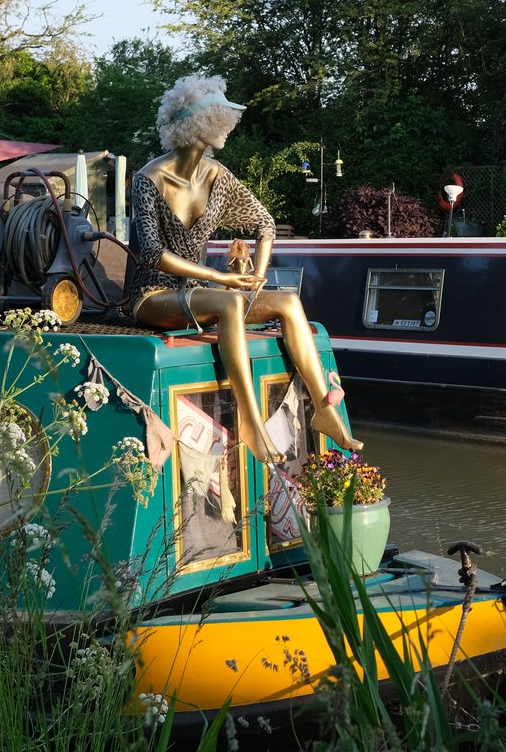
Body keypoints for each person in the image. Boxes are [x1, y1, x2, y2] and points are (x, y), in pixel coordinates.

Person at [126, 74, 361, 462]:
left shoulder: (218, 176)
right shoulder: (148, 179)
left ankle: (324, 408)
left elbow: (263, 223)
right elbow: (152, 254)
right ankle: (251, 421)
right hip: (153, 296)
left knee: (287, 303)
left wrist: (255, 280)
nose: (227, 129)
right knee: (230, 304)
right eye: (219, 119)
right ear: (198, 125)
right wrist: (223, 278)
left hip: (199, 294)